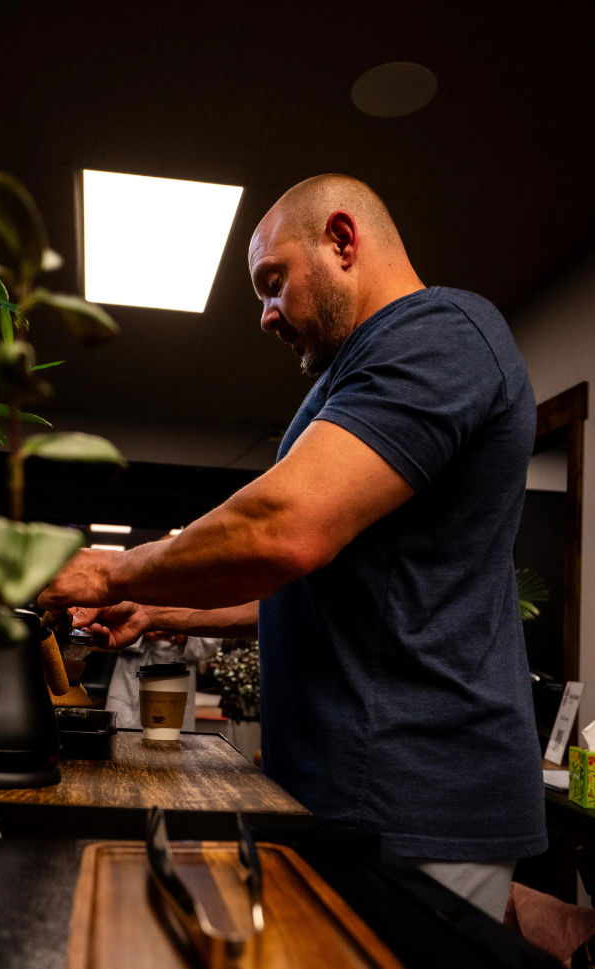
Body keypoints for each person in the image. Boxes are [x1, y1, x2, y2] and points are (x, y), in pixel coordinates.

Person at [38, 174, 546, 920]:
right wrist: (157, 608)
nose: (265, 315)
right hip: (342, 792)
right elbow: (322, 584)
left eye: (272, 283)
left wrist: (107, 568)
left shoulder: (439, 333)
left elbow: (283, 530)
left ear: (341, 240)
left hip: (413, 797)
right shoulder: (355, 380)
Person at [105, 630, 221, 729]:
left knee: (173, 747)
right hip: (129, 679)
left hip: (178, 673)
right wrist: (141, 630)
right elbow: (112, 632)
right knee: (122, 744)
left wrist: (186, 637)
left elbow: (214, 638)